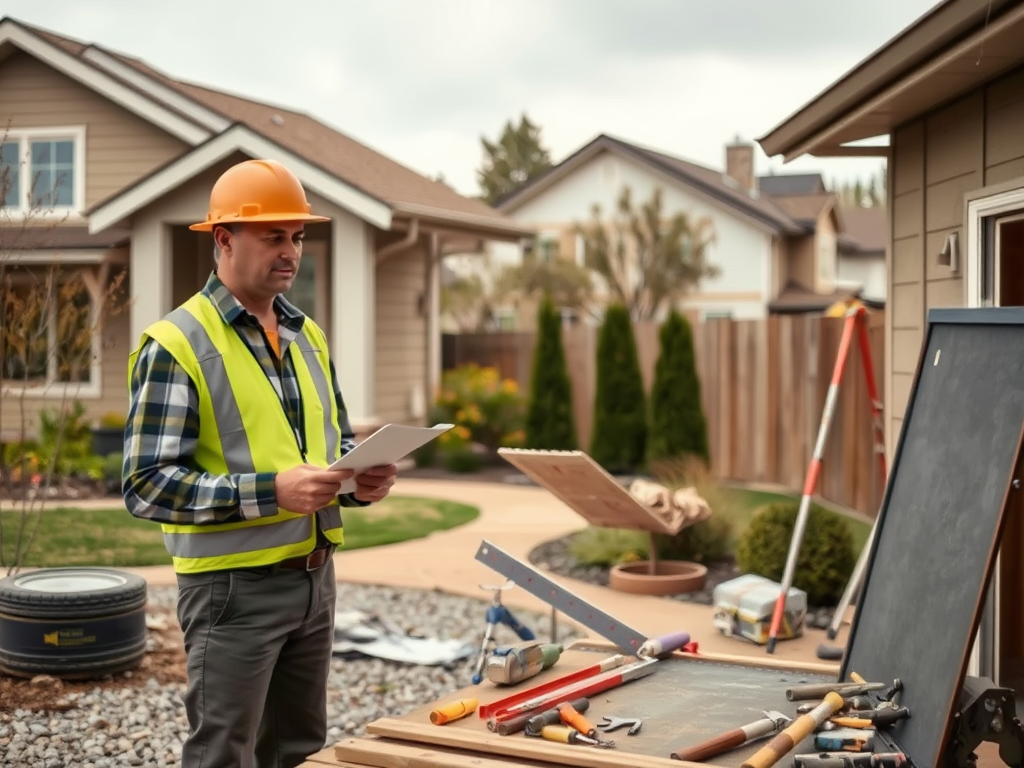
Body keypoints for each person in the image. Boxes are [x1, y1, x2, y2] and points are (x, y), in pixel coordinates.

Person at [122, 158, 398, 768]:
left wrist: (359, 479)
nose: (291, 251)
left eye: (297, 236)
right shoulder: (176, 344)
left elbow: (323, 454)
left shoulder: (307, 336)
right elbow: (146, 486)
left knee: (299, 751)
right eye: (273, 235)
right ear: (224, 239)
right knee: (224, 754)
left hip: (314, 581)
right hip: (231, 592)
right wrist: (273, 491)